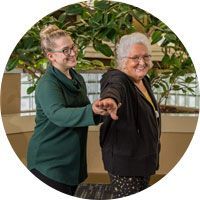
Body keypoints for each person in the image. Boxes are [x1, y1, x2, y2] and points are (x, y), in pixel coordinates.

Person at [26, 24, 115, 196]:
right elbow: (58, 115)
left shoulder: (77, 78)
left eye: (73, 47)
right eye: (66, 50)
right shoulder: (47, 84)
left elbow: (84, 112)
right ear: (51, 56)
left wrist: (103, 111)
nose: (73, 53)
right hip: (49, 161)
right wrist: (92, 111)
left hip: (73, 159)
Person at [98, 32, 161, 198]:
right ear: (123, 61)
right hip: (125, 163)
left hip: (143, 159)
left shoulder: (143, 80)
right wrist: (110, 100)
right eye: (135, 58)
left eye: (146, 56)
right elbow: (113, 87)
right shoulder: (117, 78)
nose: (142, 62)